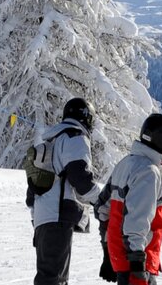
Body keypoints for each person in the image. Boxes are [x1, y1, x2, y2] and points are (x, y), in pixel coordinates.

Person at [106, 113, 162, 285]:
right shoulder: (148, 172)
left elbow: (103, 207)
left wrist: (108, 250)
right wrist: (137, 262)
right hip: (137, 260)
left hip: (123, 256)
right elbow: (138, 218)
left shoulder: (125, 163)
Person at [33, 98, 102, 285]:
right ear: (86, 118)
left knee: (49, 276)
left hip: (43, 217)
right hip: (57, 215)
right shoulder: (75, 137)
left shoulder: (52, 141)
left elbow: (32, 189)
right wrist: (101, 199)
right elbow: (80, 177)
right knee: (54, 279)